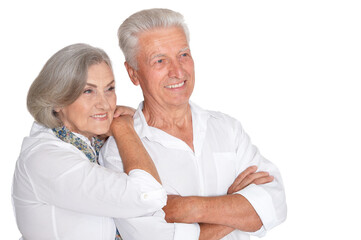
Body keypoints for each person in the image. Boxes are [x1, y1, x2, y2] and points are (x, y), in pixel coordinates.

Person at [100, 8, 287, 240]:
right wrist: (234, 204)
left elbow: (275, 204)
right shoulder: (119, 153)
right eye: (160, 60)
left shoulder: (227, 129)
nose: (177, 71)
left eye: (183, 55)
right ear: (133, 73)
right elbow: (154, 237)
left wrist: (186, 208)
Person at [12, 43, 167, 240]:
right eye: (88, 91)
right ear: (58, 100)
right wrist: (123, 128)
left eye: (109, 89)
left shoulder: (93, 143)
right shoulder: (47, 160)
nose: (104, 104)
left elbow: (172, 166)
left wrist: (140, 125)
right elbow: (150, 195)